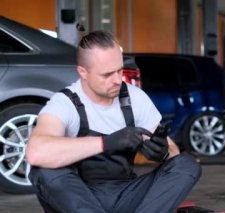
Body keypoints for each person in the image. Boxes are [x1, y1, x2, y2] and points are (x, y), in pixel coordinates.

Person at [26, 30, 201, 213]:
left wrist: (162, 152)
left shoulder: (135, 98)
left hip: (126, 194)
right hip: (79, 200)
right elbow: (36, 152)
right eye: (107, 74)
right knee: (43, 170)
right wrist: (106, 142)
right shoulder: (64, 103)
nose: (118, 80)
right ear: (83, 72)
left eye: (119, 70)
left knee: (186, 164)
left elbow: (173, 154)